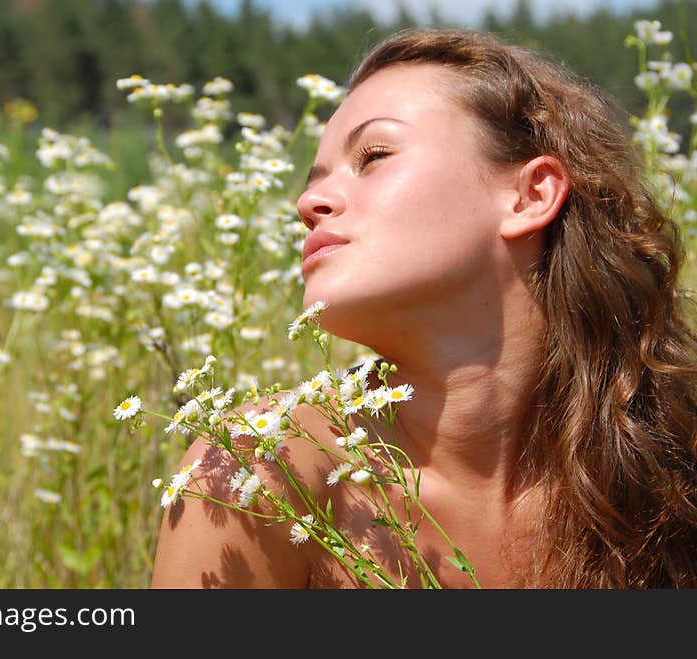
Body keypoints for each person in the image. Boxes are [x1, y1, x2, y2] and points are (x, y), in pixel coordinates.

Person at [150, 27, 697, 588]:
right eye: (315, 180)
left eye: (374, 156)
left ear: (530, 195)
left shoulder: (673, 473)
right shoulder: (254, 470)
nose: (306, 205)